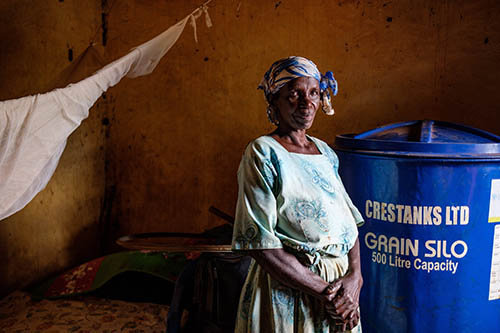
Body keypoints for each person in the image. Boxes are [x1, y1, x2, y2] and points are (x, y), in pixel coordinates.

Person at [231, 56, 364, 332]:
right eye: (294, 94)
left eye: (314, 92)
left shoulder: (326, 152)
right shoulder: (263, 153)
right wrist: (330, 294)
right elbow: (262, 245)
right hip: (290, 292)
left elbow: (349, 225)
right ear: (274, 102)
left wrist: (354, 280)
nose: (307, 102)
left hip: (341, 296)